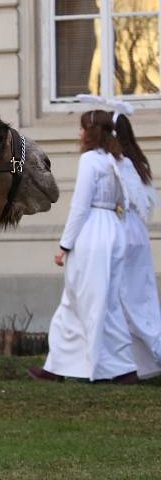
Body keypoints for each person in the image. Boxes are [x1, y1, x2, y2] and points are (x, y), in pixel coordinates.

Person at [29, 110, 137, 384]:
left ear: (91, 132)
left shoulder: (91, 161)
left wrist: (65, 245)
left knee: (89, 302)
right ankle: (58, 366)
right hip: (114, 226)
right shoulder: (119, 160)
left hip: (94, 234)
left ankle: (114, 368)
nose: (79, 134)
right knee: (91, 302)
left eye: (82, 129)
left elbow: (80, 206)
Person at [113, 110, 161, 377]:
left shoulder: (121, 164)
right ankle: (138, 364)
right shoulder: (136, 161)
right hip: (136, 233)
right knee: (135, 299)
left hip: (127, 233)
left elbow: (133, 202)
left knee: (131, 300)